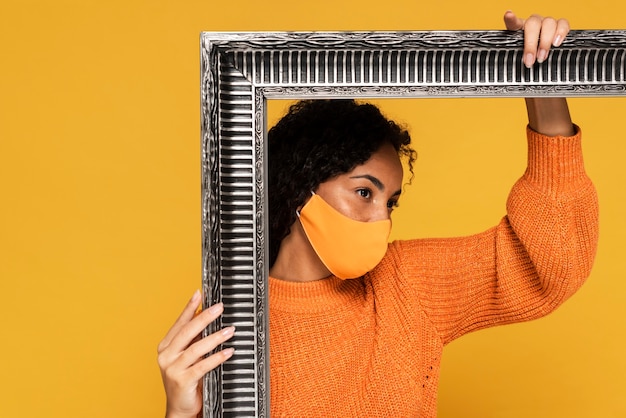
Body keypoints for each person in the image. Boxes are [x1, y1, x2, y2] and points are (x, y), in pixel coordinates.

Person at [157, 11, 599, 418]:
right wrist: (181, 415)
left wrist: (545, 91)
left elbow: (547, 266)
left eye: (391, 202)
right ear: (298, 186)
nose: (381, 219)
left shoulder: (406, 285)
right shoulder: (227, 328)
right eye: (364, 192)